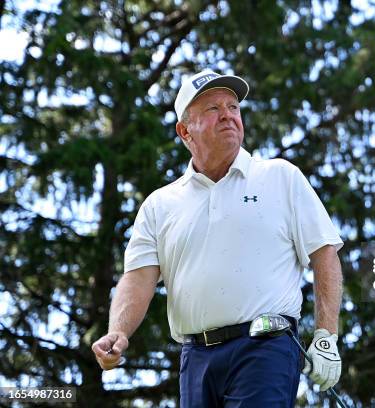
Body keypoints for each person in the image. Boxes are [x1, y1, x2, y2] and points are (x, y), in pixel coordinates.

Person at [91, 68, 344, 407]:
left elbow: (324, 253)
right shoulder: (160, 205)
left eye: (233, 107)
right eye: (213, 109)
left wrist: (326, 336)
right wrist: (119, 331)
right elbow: (138, 279)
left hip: (266, 346)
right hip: (195, 359)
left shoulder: (280, 177)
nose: (228, 115)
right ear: (184, 131)